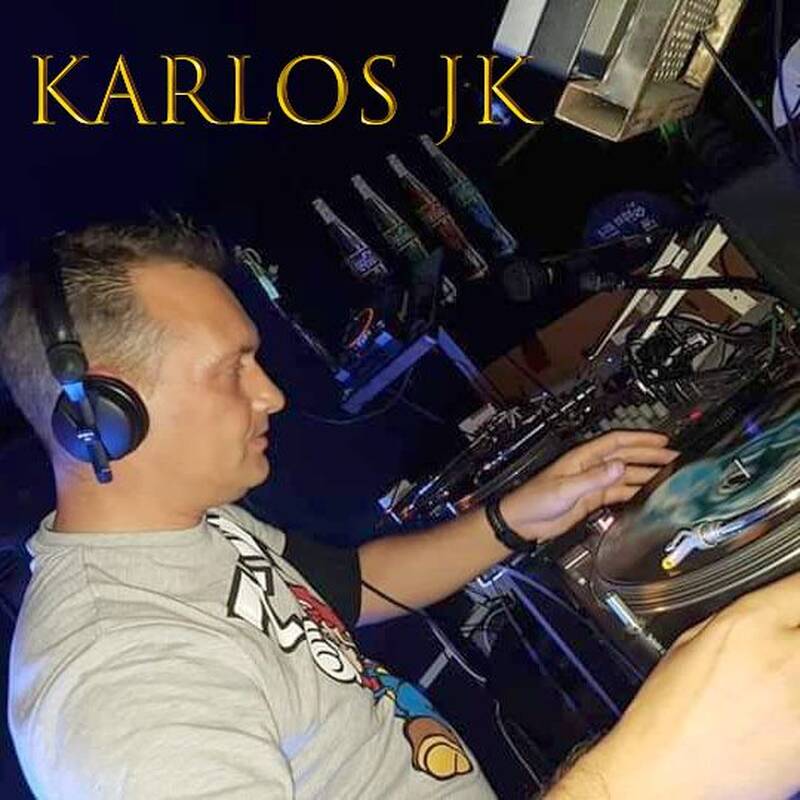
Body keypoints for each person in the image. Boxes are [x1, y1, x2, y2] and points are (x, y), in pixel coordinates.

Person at [0, 215, 796, 800]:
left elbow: (348, 586)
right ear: (102, 416)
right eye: (231, 370)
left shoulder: (194, 524)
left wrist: (518, 516)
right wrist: (643, 776)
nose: (272, 394)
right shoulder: (116, 682)